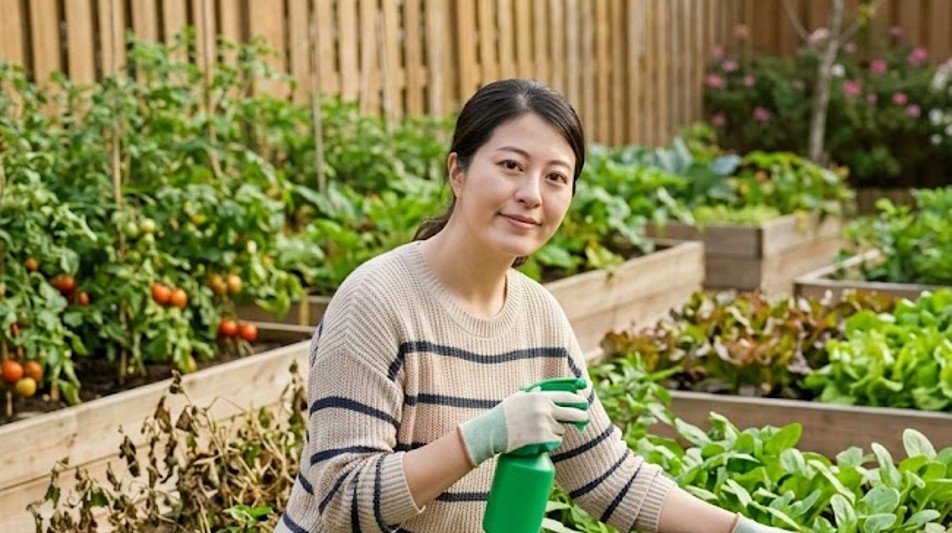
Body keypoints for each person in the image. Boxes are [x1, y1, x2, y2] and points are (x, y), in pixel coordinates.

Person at [276, 78, 794, 533]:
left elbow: (607, 477)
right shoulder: (375, 301)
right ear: (457, 172)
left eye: (555, 177)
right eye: (510, 166)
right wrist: (484, 436)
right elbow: (342, 501)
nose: (531, 194)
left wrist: (742, 529)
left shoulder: (539, 316)